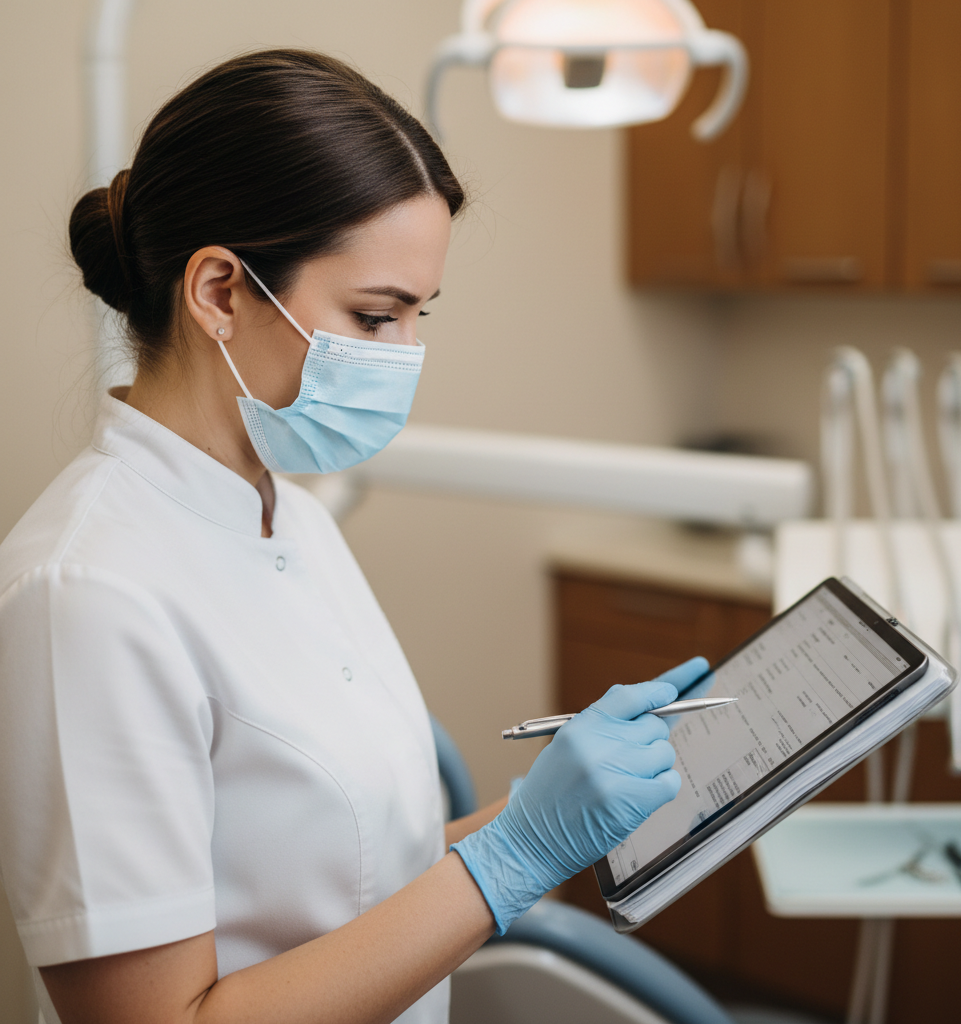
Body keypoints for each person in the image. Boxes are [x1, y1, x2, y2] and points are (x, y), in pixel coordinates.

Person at [0, 49, 711, 1024]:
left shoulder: (284, 509)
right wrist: (515, 859)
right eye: (375, 317)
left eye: (419, 316)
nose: (405, 359)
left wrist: (556, 807)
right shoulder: (83, 592)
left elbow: (350, 872)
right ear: (218, 292)